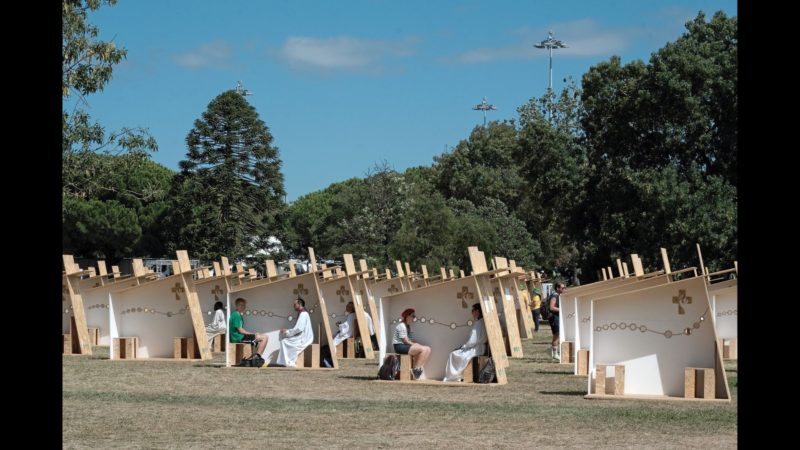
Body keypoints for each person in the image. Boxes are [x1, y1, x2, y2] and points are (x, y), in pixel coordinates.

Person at [443, 303, 487, 382]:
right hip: (479, 348)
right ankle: (457, 376)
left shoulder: (479, 324)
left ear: (478, 311)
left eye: (473, 310)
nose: (472, 312)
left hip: (475, 349)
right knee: (456, 353)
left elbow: (472, 341)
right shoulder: (482, 322)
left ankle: (454, 377)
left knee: (453, 354)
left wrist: (462, 347)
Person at [392, 308, 431, 380]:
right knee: (422, 349)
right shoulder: (402, 326)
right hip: (399, 346)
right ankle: (416, 370)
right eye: (413, 316)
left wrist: (416, 344)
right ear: (407, 316)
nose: (414, 318)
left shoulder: (408, 327)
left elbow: (410, 340)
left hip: (405, 345)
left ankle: (419, 369)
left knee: (428, 349)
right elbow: (405, 341)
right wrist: (416, 345)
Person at [275, 297, 314, 367]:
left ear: (299, 304)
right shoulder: (302, 313)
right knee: (284, 341)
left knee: (284, 342)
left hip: (304, 337)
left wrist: (287, 331)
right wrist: (288, 331)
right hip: (301, 335)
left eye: (294, 304)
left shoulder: (303, 314)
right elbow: (298, 328)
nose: (293, 306)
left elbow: (299, 329)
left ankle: (290, 362)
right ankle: (288, 362)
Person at [320, 301, 356, 368]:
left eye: (348, 306)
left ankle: (332, 360)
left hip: (347, 334)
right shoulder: (352, 315)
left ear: (352, 308)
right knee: (333, 337)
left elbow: (347, 328)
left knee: (333, 343)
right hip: (348, 332)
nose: (346, 307)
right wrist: (340, 326)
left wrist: (339, 325)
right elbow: (346, 326)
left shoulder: (351, 316)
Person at [548, 283, 565, 360]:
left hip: (556, 317)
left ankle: (554, 352)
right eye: (562, 288)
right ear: (557, 288)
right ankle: (555, 354)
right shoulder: (555, 296)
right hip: (554, 317)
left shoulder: (557, 295)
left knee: (557, 335)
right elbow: (551, 307)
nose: (564, 289)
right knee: (557, 335)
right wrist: (562, 309)